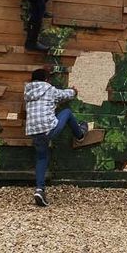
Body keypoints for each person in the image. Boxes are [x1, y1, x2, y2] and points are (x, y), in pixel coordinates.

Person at [24, 67, 88, 207]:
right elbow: (66, 95)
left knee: (42, 157)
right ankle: (80, 134)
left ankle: (40, 190)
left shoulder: (27, 92)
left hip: (34, 132)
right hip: (48, 129)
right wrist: (74, 91)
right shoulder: (49, 89)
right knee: (67, 112)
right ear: (46, 79)